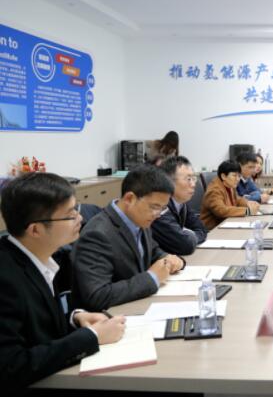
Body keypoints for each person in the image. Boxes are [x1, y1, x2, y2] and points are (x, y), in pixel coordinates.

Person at [0, 173, 125, 392]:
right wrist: (92, 336)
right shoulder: (5, 279)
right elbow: (11, 367)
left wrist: (75, 319)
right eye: (70, 215)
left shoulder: (44, 257)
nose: (80, 218)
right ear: (35, 229)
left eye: (77, 210)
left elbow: (34, 323)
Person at [72, 165, 186, 311]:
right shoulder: (97, 234)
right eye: (154, 207)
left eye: (162, 208)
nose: (157, 214)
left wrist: (170, 259)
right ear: (129, 198)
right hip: (111, 317)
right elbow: (98, 296)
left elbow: (153, 252)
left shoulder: (139, 219)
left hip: (138, 305)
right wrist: (152, 278)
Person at [152, 156, 207, 255]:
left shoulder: (181, 203)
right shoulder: (159, 206)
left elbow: (202, 229)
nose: (193, 184)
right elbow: (185, 245)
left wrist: (186, 234)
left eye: (194, 178)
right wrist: (187, 235)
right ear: (169, 182)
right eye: (188, 179)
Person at [200, 160, 260, 230]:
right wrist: (247, 211)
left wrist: (248, 203)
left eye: (239, 176)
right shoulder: (214, 190)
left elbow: (237, 200)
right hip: (212, 229)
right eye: (234, 175)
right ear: (223, 176)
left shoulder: (229, 185)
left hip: (226, 224)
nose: (237, 179)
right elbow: (221, 210)